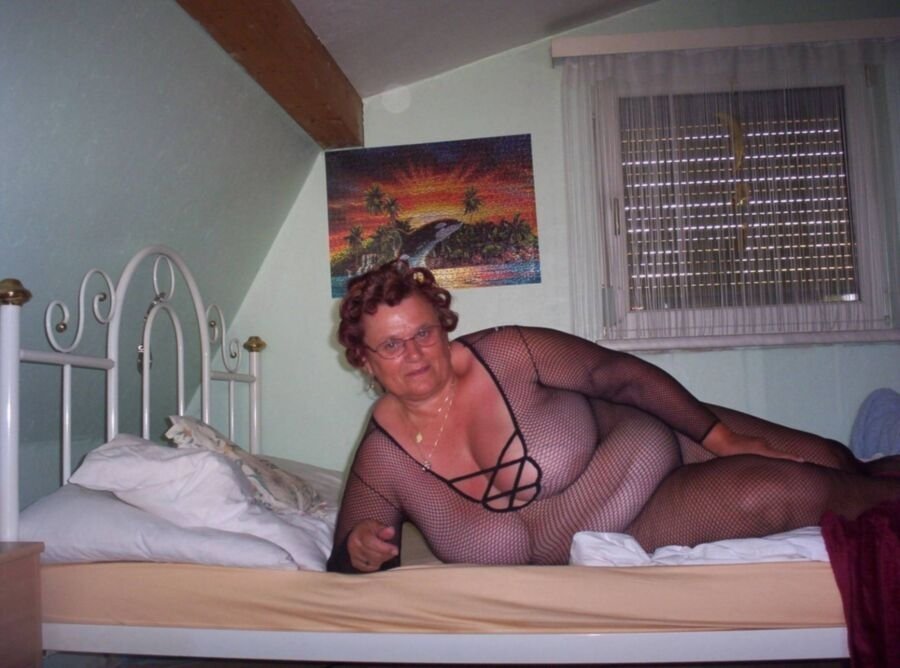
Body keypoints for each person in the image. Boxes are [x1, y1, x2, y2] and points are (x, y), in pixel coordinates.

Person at [327, 260, 900, 573]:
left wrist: (724, 440)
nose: (415, 354)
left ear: (443, 326)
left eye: (423, 333)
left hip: (664, 437)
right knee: (788, 488)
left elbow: (621, 376)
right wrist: (360, 550)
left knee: (827, 458)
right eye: (391, 345)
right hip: (632, 520)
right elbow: (351, 557)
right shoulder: (383, 455)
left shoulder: (507, 352)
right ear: (365, 360)